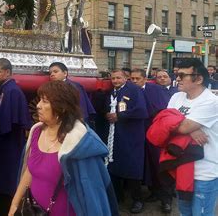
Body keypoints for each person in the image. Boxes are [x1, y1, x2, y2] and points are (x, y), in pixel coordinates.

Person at [9, 81, 119, 216]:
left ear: (62, 107)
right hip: (33, 210)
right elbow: (29, 171)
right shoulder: (36, 132)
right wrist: (14, 205)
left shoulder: (79, 145)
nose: (38, 106)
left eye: (44, 101)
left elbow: (92, 194)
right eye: (39, 101)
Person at [167, 58, 218, 216]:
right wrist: (190, 129)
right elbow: (162, 122)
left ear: (199, 79)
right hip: (182, 168)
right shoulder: (177, 97)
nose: (178, 79)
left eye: (182, 75)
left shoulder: (211, 102)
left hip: (204, 172)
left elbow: (178, 126)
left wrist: (185, 127)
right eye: (177, 74)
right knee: (184, 212)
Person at [0, 58, 31, 216]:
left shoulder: (11, 91)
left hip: (8, 148)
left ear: (8, 73)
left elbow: (5, 123)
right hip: (3, 146)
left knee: (6, 185)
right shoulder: (4, 89)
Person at [105, 69, 148, 214]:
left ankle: (137, 199)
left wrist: (119, 116)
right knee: (114, 164)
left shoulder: (134, 90)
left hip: (131, 135)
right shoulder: (112, 92)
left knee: (132, 165)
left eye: (118, 78)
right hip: (115, 134)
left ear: (126, 78)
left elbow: (142, 111)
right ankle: (117, 197)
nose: (115, 81)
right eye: (113, 78)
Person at [130, 68, 173, 213]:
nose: (135, 81)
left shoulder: (154, 89)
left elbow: (162, 108)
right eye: (132, 79)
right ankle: (153, 191)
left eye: (137, 79)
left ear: (145, 79)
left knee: (158, 164)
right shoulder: (130, 90)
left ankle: (166, 199)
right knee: (147, 164)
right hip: (139, 132)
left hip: (155, 131)